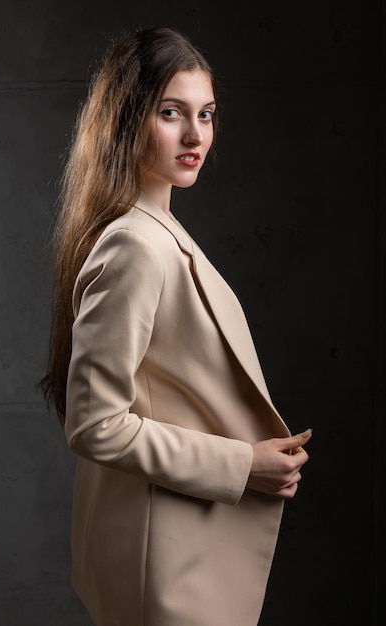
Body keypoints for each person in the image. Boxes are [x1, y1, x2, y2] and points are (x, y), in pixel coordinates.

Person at [40, 25, 312, 626]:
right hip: (163, 566)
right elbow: (96, 424)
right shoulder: (136, 244)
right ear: (128, 119)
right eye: (172, 113)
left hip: (178, 551)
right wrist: (243, 465)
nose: (196, 136)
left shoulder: (159, 232)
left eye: (207, 114)